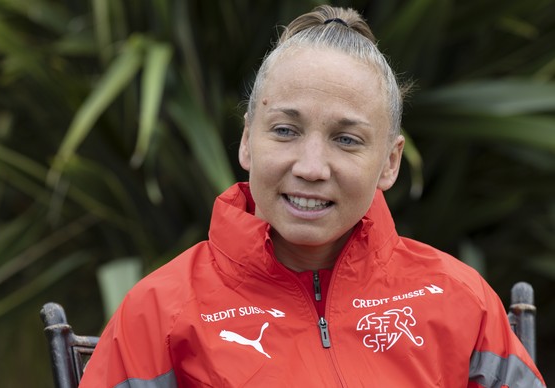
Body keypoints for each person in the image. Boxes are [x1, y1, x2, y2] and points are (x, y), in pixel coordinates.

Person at [80, 5, 545, 387]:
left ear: (389, 162)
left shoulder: (459, 299)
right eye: (285, 130)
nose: (310, 167)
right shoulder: (160, 312)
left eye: (346, 139)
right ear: (247, 141)